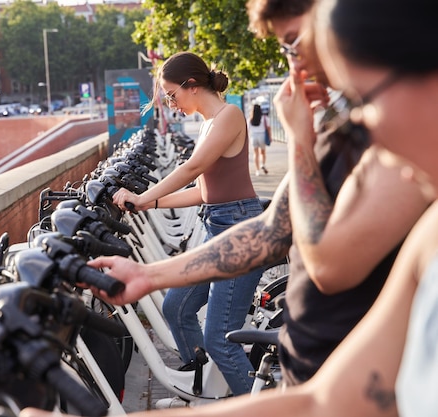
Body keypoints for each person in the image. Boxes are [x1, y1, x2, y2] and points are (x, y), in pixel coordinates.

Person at [21, 0, 437, 416]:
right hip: (311, 368)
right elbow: (272, 229)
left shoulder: (382, 168)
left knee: (219, 334)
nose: (296, 62)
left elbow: (328, 265)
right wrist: (147, 274)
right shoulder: (424, 233)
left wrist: (300, 144)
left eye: (360, 100)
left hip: (322, 357)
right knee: (183, 311)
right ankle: (200, 376)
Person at [112, 51, 265, 397]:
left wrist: (144, 195)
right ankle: (203, 387)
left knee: (220, 339)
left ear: (191, 86)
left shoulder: (229, 116)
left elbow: (192, 169)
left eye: (171, 95)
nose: (170, 103)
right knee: (176, 307)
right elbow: (201, 191)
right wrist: (147, 203)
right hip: (217, 227)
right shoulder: (208, 123)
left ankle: (262, 405)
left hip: (239, 229)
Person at [247, 103, 270, 175]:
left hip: (253, 136)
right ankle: (262, 164)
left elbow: (248, 130)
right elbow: (268, 128)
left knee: (255, 153)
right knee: (263, 152)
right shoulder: (264, 118)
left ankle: (257, 170)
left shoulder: (250, 119)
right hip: (262, 135)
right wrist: (270, 136)